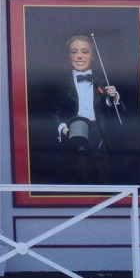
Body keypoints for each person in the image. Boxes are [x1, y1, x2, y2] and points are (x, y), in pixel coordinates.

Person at [47, 34, 125, 184]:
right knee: (78, 172)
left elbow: (117, 115)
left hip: (98, 133)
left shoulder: (103, 83)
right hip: (73, 131)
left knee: (103, 171)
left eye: (85, 52)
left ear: (93, 57)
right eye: (74, 52)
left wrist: (114, 99)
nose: (79, 56)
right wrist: (64, 129)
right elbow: (51, 114)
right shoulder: (60, 85)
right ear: (68, 56)